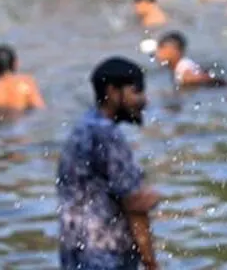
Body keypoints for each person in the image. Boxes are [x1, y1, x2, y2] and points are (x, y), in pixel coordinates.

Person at [57, 57, 160, 270]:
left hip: (75, 253)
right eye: (136, 91)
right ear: (113, 92)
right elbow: (133, 205)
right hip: (107, 255)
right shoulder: (109, 135)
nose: (144, 100)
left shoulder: (82, 128)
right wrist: (151, 262)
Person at [0, 44, 46, 113]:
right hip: (23, 120)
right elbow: (40, 107)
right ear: (16, 64)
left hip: (0, 121)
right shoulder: (27, 83)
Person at [155, 31, 227, 88]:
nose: (158, 53)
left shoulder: (184, 70)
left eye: (162, 48)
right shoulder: (180, 66)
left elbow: (198, 79)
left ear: (175, 51)